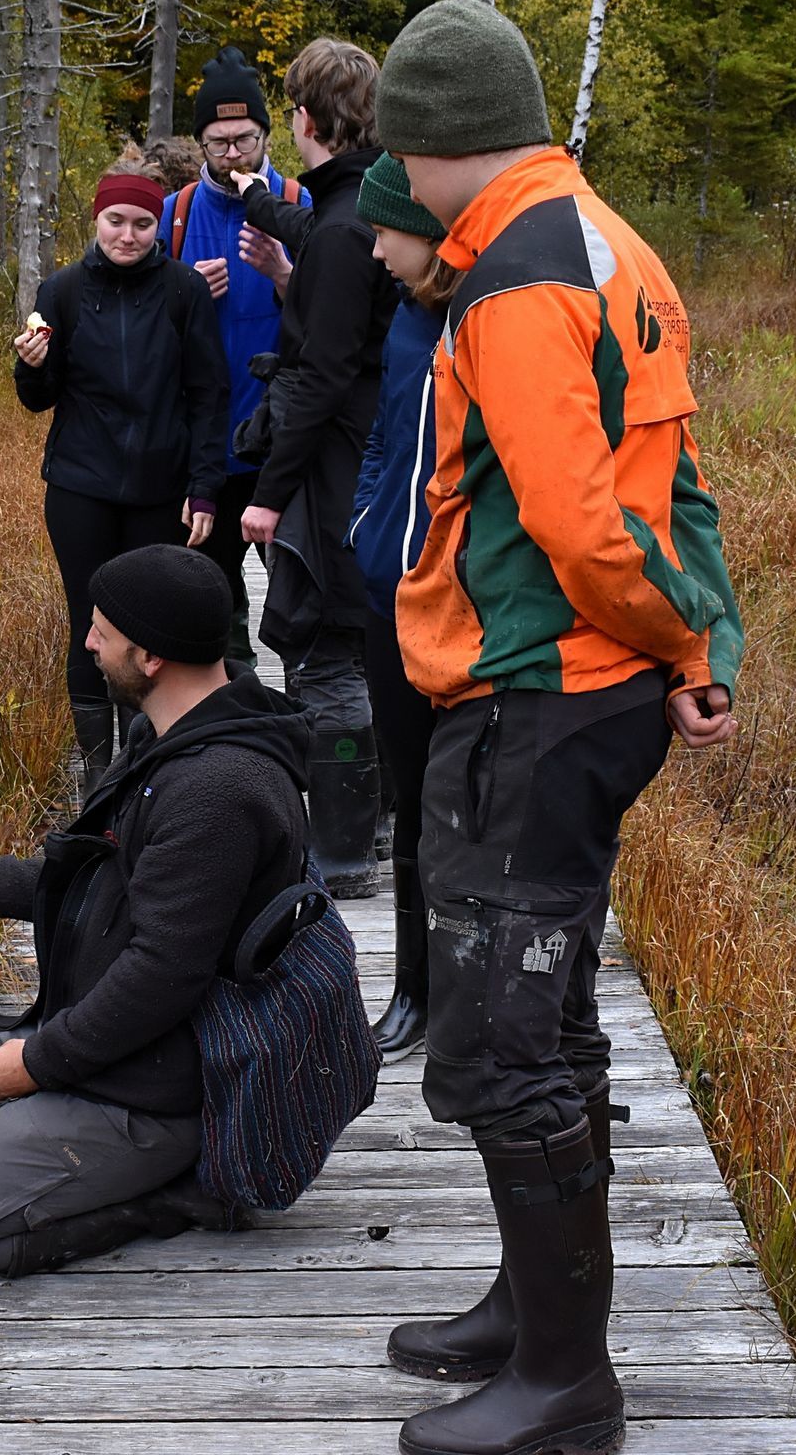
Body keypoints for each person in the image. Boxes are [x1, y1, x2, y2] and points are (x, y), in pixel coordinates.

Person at [373, 0, 745, 1455]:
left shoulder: (518, 278)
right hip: (589, 688)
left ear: (426, 139)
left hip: (539, 694)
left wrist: (665, 639)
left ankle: (566, 1384)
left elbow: (589, 528)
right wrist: (694, 645)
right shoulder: (607, 242)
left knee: (510, 1023)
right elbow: (681, 489)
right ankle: (530, 1316)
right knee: (548, 999)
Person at [0, 545, 314, 1275]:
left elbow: (163, 973)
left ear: (151, 658)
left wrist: (40, 1063)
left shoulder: (217, 791)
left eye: (103, 630)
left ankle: (172, 1194)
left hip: (160, 1086)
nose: (88, 642)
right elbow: (101, 887)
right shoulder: (166, 739)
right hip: (107, 1041)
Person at [230, 37, 399, 898]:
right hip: (371, 454)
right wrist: (265, 208)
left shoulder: (339, 233)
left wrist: (267, 497)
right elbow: (328, 230)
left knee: (328, 651)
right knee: (360, 648)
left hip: (337, 464)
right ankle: (367, 825)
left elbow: (320, 375)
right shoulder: (372, 204)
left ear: (303, 118)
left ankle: (342, 853)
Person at [16, 162, 230, 793]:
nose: (129, 235)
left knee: (146, 628)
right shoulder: (61, 292)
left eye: (142, 223)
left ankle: (142, 770)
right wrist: (30, 367)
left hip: (159, 487)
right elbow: (38, 398)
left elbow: (207, 394)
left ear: (158, 226)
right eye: (116, 221)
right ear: (96, 220)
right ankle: (95, 777)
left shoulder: (183, 291)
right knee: (88, 620)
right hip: (81, 485)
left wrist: (205, 485)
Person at [348, 152, 454, 1059]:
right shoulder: (408, 321)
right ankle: (413, 989)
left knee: (469, 800)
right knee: (410, 798)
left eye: (385, 232)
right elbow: (386, 437)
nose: (376, 250)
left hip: (461, 604)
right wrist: (363, 526)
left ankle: (472, 992)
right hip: (387, 591)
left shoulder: (492, 319)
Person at [160, 47, 309, 660]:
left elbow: (340, 318)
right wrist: (183, 293)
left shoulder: (300, 204)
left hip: (282, 448)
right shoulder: (176, 214)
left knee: (303, 614)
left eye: (244, 140)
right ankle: (229, 741)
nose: (232, 156)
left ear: (267, 137)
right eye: (217, 144)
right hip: (205, 454)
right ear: (199, 146)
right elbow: (147, 327)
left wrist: (283, 275)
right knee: (214, 619)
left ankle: (316, 739)